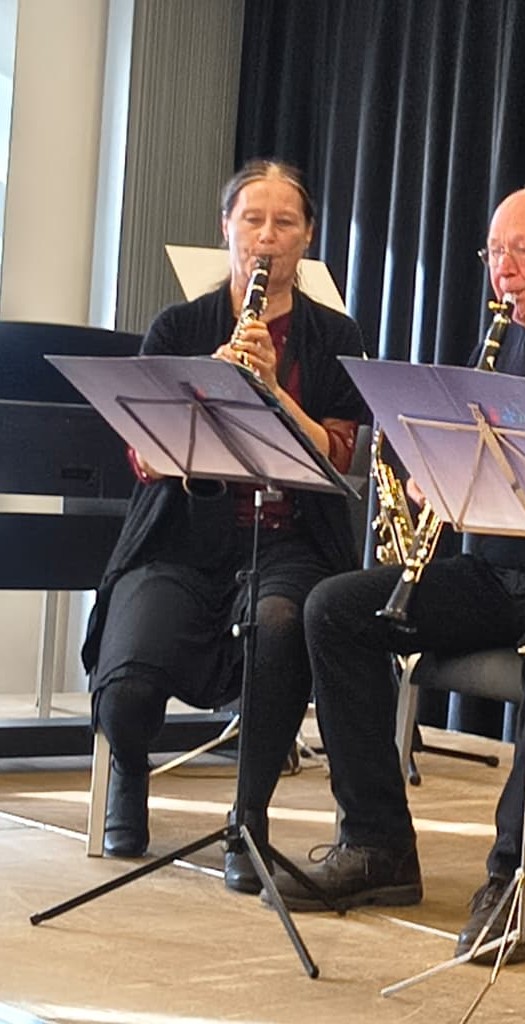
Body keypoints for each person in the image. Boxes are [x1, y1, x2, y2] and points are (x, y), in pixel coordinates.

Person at [269, 183, 525, 965]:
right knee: (334, 608)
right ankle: (378, 847)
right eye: (494, 253)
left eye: (522, 252)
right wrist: (441, 466)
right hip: (503, 574)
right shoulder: (500, 341)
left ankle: (515, 876)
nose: (505, 271)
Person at [81, 160, 367, 895]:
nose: (266, 239)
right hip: (181, 534)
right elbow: (144, 457)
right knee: (128, 689)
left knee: (280, 627)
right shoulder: (179, 326)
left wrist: (272, 393)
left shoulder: (335, 335)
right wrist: (205, 391)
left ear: (306, 239)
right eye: (252, 220)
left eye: (284, 223)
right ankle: (130, 780)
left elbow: (342, 460)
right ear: (226, 230)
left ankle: (249, 818)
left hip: (290, 539)